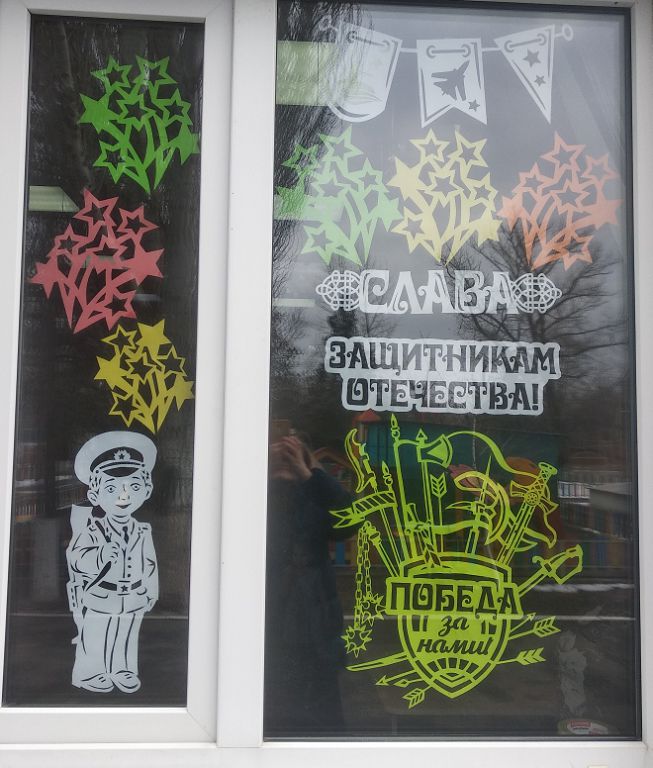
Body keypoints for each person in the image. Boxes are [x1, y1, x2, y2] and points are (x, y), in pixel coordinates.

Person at [265, 433, 352, 736]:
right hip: (270, 620)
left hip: (314, 623)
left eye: (292, 456)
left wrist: (311, 473)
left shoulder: (313, 496)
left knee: (323, 717)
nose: (285, 462)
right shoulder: (255, 496)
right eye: (278, 456)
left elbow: (350, 520)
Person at [66, 431, 158, 694]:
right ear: (95, 496)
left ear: (147, 491)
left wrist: (151, 591)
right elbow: (76, 557)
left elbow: (149, 563)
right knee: (96, 634)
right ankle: (91, 672)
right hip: (101, 595)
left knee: (126, 634)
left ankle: (122, 669)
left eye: (134, 487)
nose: (123, 496)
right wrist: (100, 556)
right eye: (111, 488)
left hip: (133, 596)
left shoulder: (142, 531)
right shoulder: (93, 530)